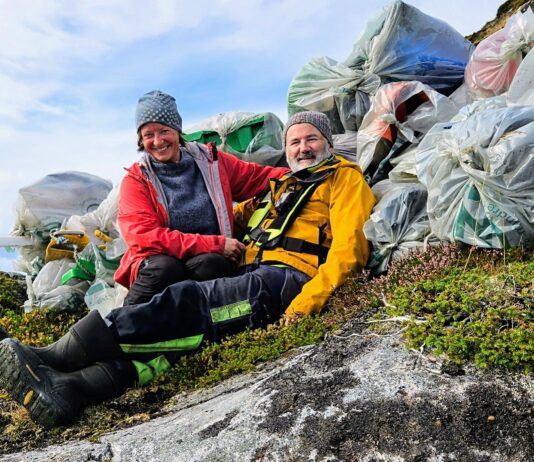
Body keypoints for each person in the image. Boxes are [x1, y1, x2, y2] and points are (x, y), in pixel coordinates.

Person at [0, 111, 375, 429]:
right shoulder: (285, 186)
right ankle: (71, 390)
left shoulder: (344, 178)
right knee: (176, 347)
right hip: (254, 277)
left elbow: (349, 248)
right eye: (294, 142)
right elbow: (242, 216)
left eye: (311, 139)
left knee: (186, 303)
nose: (302, 148)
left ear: (327, 142)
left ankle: (51, 357)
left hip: (285, 282)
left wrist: (306, 303)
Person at [117, 90, 289, 305]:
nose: (158, 141)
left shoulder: (211, 162)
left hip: (207, 258)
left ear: (177, 131)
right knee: (165, 269)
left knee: (212, 264)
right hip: (161, 260)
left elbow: (256, 178)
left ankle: (201, 328)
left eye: (164, 131)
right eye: (148, 135)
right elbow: (143, 236)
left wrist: (302, 173)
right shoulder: (137, 180)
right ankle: (120, 325)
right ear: (141, 141)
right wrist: (214, 244)